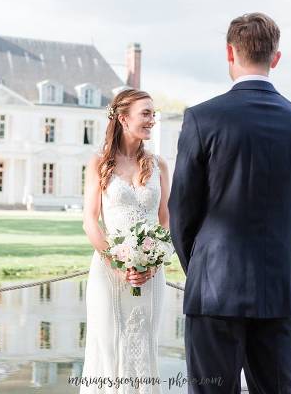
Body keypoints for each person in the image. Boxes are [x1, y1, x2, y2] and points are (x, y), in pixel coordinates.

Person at [168, 12, 291, 393]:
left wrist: (200, 265)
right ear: (276, 58)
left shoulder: (202, 119)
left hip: (214, 285)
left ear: (229, 53)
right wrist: (276, 245)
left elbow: (181, 209)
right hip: (278, 285)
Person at [80, 88, 171, 394]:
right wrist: (118, 264)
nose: (152, 120)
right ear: (123, 118)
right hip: (108, 272)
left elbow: (165, 219)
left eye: (153, 114)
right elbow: (90, 221)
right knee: (109, 348)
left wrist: (154, 263)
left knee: (144, 346)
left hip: (151, 274)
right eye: (145, 113)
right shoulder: (99, 163)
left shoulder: (159, 165)